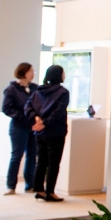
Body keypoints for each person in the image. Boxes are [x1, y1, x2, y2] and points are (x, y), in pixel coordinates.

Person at [26, 65, 70, 203]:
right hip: (56, 132)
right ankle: (50, 192)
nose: (64, 75)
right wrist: (45, 122)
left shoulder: (38, 91)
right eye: (63, 72)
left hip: (40, 132)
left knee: (41, 161)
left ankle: (39, 190)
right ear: (59, 75)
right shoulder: (63, 92)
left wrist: (37, 119)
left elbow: (28, 106)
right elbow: (59, 112)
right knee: (53, 163)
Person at [1, 63, 38, 195]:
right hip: (18, 126)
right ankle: (11, 185)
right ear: (24, 72)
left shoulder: (35, 88)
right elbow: (6, 108)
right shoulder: (11, 89)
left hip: (33, 126)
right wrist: (23, 116)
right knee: (16, 156)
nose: (33, 74)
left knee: (32, 156)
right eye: (31, 71)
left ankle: (30, 185)